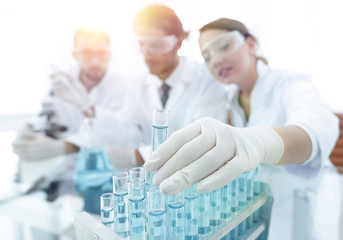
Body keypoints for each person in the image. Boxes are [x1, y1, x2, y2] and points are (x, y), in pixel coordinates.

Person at [144, 18, 341, 239]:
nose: (215, 60)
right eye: (207, 57)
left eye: (224, 46)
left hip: (306, 207)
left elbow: (317, 128)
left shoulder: (289, 84)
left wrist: (262, 143)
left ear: (251, 44)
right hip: (260, 208)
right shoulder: (231, 97)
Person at [48, 5, 229, 165]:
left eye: (156, 45)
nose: (147, 54)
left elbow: (202, 141)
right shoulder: (137, 84)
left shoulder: (206, 80)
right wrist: (89, 108)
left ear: (179, 43)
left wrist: (138, 156)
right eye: (141, 44)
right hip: (152, 182)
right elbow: (130, 132)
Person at [12, 27, 129, 164]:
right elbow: (48, 117)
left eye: (102, 53)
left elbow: (116, 135)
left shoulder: (123, 87)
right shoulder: (62, 82)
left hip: (107, 166)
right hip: (68, 165)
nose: (95, 62)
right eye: (87, 53)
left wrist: (65, 147)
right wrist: (31, 131)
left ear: (110, 54)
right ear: (75, 55)